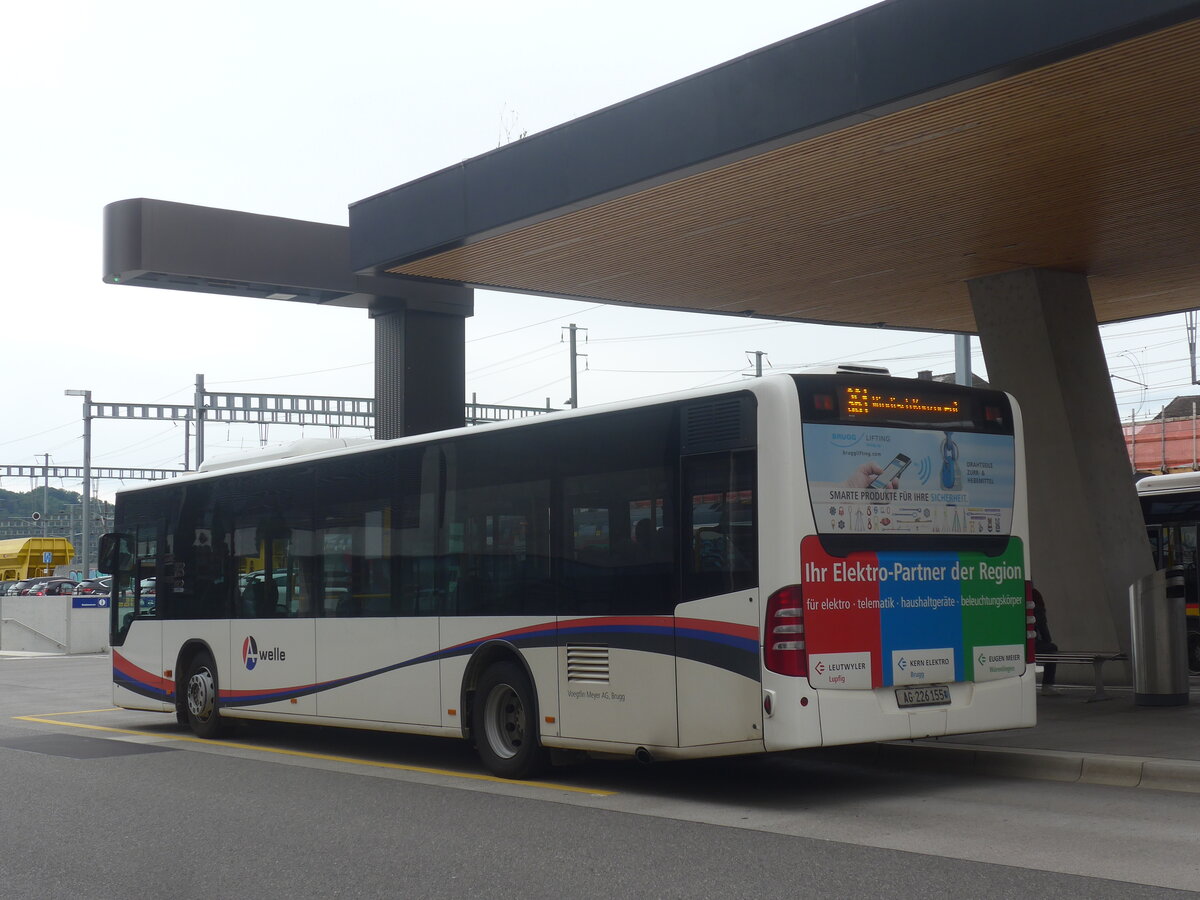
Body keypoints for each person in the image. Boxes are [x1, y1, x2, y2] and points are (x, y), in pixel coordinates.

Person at [1031, 586, 1059, 696]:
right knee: (1052, 649)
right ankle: (1048, 685)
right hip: (1031, 644)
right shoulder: (1037, 608)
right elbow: (1044, 631)